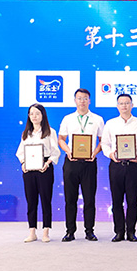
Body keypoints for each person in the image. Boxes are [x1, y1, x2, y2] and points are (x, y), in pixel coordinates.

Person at [101, 93, 137, 243]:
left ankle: (131, 232)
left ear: (132, 105)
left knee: (132, 201)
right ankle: (119, 232)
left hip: (133, 165)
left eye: (127, 103)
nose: (124, 106)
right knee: (116, 201)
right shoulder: (110, 124)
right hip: (116, 165)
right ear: (117, 106)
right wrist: (110, 154)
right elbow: (105, 144)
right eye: (121, 103)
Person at [58, 88, 104, 242]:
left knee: (89, 199)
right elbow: (61, 139)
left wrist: (94, 153)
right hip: (71, 163)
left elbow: (102, 141)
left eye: (85, 98)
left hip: (89, 163)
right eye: (79, 98)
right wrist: (68, 151)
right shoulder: (68, 119)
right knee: (70, 199)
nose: (82, 101)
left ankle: (89, 231)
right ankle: (70, 231)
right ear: (75, 101)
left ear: (89, 101)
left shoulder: (98, 119)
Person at [16, 104, 60, 243]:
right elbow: (20, 152)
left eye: (37, 113)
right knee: (31, 201)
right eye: (31, 114)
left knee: (46, 200)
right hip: (29, 170)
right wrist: (23, 163)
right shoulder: (26, 133)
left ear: (43, 115)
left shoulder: (50, 132)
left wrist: (47, 163)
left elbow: (55, 152)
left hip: (44, 169)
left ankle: (46, 231)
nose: (34, 116)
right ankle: (32, 232)